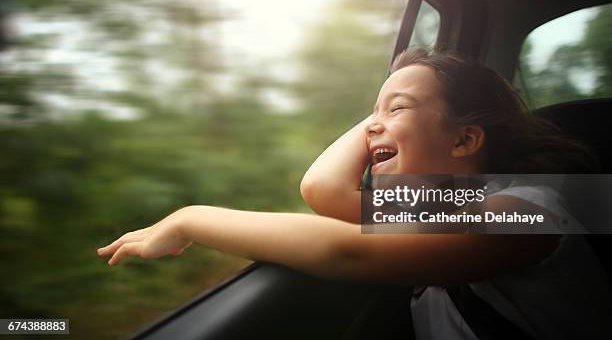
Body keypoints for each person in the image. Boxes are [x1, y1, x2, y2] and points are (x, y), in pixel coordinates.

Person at [96, 49, 611, 339]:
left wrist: (189, 219)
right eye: (371, 114)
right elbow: (322, 189)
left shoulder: (527, 212)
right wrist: (392, 107)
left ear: (464, 139)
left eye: (397, 111)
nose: (370, 130)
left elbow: (345, 247)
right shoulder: (440, 210)